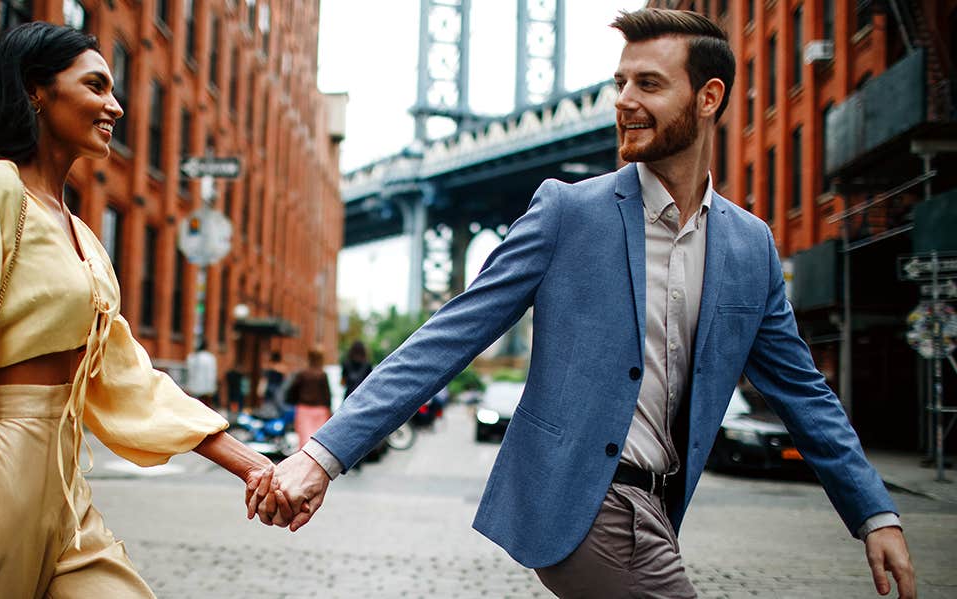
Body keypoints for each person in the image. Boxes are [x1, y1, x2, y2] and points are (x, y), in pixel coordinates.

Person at [258, 9, 916, 599]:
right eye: (620, 83)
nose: (624, 101)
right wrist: (324, 453)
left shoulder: (750, 246)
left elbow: (803, 392)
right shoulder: (566, 211)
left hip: (660, 510)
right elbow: (448, 335)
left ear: (708, 97)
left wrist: (873, 511)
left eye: (649, 84)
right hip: (589, 505)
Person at [0, 23, 294, 598]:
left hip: (65, 480)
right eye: (96, 85)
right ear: (37, 91)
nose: (117, 105)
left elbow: (126, 376)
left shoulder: (80, 234)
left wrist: (252, 464)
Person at [285, 347, 332, 451]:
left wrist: (293, 401)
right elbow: (327, 395)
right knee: (318, 442)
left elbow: (292, 390)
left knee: (304, 440)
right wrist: (329, 411)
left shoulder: (302, 374)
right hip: (320, 410)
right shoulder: (322, 375)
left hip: (304, 409)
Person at [186, 341, 219, 409]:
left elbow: (189, 372)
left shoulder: (192, 357)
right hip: (206, 388)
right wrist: (212, 387)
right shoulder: (210, 358)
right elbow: (211, 373)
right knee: (205, 407)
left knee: (194, 407)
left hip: (194, 387)